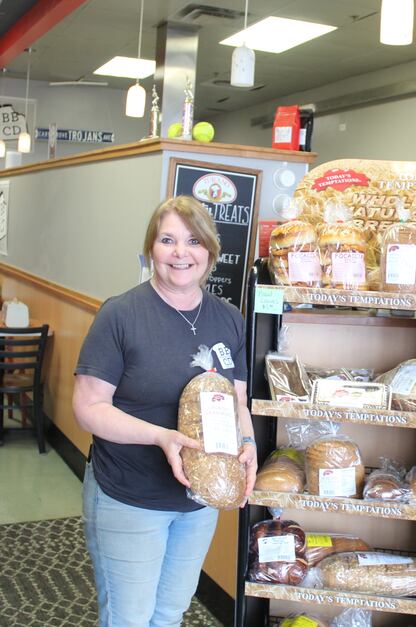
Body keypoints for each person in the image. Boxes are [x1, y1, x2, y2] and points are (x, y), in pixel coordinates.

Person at [73, 195, 257, 626]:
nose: (180, 253)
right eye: (167, 240)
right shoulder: (120, 314)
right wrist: (161, 436)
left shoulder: (228, 318)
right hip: (129, 494)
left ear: (209, 251)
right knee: (129, 619)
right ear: (151, 249)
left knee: (170, 614)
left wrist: (246, 441)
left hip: (197, 502)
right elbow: (87, 408)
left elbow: (237, 404)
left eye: (193, 241)